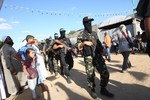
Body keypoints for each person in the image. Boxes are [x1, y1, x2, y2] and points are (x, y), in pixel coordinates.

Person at [77, 16, 114, 99]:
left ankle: (103, 88)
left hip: (98, 56)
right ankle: (92, 89)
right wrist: (84, 43)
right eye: (87, 22)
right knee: (91, 75)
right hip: (88, 57)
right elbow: (78, 47)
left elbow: (99, 44)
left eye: (90, 22)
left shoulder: (94, 33)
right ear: (84, 24)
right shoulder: (81, 35)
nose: (89, 24)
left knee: (105, 73)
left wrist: (103, 52)